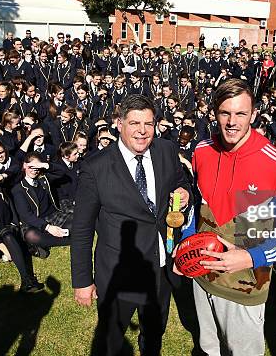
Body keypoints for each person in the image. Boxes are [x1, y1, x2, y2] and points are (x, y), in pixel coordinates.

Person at [178, 79, 276, 355]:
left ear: (254, 115)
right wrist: (185, 244)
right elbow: (195, 207)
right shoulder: (202, 150)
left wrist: (249, 258)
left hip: (245, 286)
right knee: (208, 348)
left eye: (240, 114)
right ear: (214, 113)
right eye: (225, 113)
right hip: (202, 277)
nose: (232, 122)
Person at [71, 94, 191, 356]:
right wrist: (82, 281)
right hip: (118, 273)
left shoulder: (167, 150)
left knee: (153, 335)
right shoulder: (96, 167)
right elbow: (81, 229)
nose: (142, 131)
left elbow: (182, 182)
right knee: (111, 341)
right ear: (118, 123)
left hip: (161, 268)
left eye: (149, 124)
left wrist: (184, 193)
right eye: (135, 123)